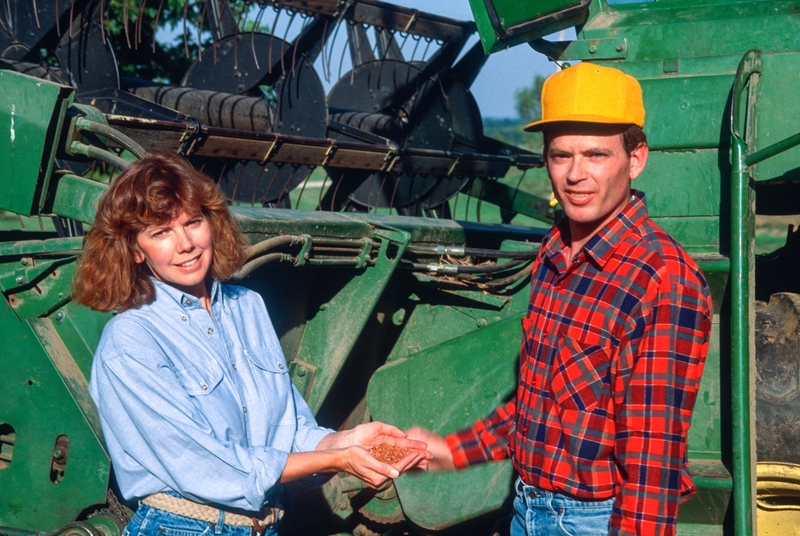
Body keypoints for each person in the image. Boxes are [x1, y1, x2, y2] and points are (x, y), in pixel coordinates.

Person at [408, 63, 713, 535]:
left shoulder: (661, 277)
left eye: (595, 155)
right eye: (560, 155)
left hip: (595, 522)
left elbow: (653, 462)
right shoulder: (554, 254)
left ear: (636, 159)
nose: (575, 175)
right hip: (528, 512)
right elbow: (544, 403)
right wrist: (452, 450)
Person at [74, 153, 430, 536]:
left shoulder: (247, 306)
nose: (185, 244)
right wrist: (341, 459)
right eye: (161, 233)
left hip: (265, 526)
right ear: (135, 249)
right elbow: (212, 468)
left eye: (193, 222)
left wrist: (345, 440)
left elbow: (288, 431)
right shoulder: (131, 340)